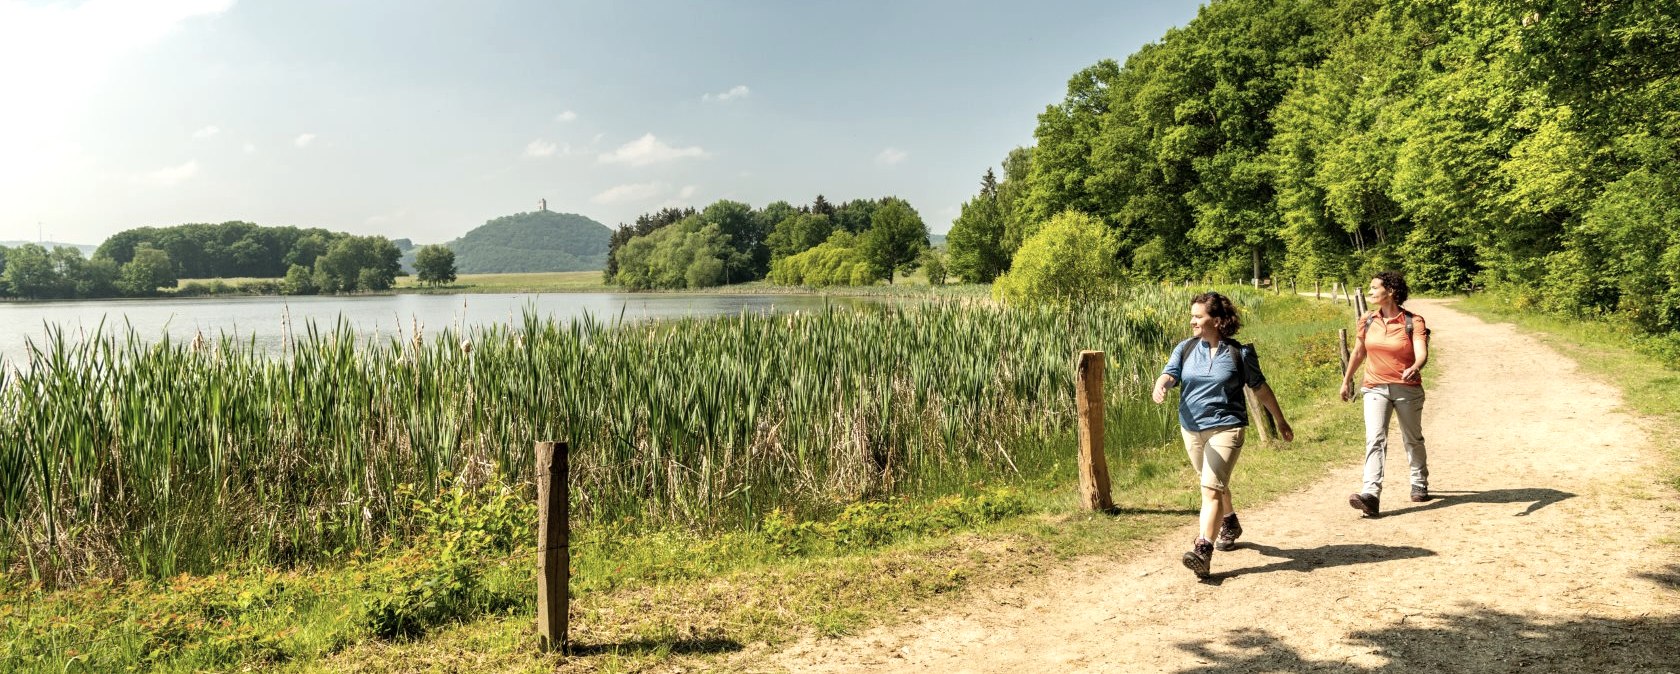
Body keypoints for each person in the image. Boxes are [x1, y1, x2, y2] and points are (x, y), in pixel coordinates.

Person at [1153, 291, 1294, 579]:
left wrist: (1280, 420)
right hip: (1191, 427)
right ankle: (1229, 521)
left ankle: (1203, 549)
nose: (1192, 321)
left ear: (1216, 321)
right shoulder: (1186, 348)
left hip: (1227, 427)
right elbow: (1170, 373)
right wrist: (1162, 384)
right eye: (1192, 316)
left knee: (1210, 489)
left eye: (1198, 316)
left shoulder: (1239, 353)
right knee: (1212, 484)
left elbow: (1260, 388)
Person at [1340, 271, 1431, 518]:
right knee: (1375, 438)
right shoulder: (1367, 320)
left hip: (1406, 388)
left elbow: (1421, 353)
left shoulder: (1413, 321)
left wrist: (1416, 366)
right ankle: (1370, 495)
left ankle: (1419, 482)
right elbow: (1358, 352)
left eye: (1374, 287)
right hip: (1374, 387)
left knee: (1412, 438)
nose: (1369, 291)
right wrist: (1347, 381)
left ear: (1390, 291)